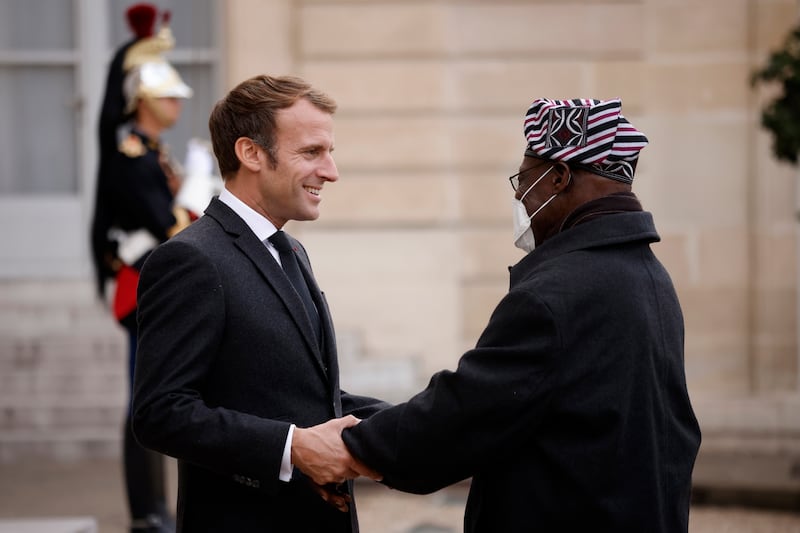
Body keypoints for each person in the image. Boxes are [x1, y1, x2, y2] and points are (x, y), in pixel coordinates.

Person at [341, 98, 702, 532]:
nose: (517, 193)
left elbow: (463, 418)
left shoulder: (556, 295)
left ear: (559, 177)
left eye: (525, 177)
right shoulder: (649, 277)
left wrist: (347, 445)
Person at [131, 74, 389, 533]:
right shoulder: (190, 259)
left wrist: (423, 422)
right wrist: (291, 449)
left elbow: (303, 396)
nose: (331, 171)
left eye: (329, 152)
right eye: (311, 152)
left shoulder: (290, 249)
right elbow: (160, 413)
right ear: (251, 153)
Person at [88, 7, 193, 532]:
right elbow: (164, 223)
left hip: (155, 283)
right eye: (170, 96)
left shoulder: (152, 151)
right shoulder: (130, 154)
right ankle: (146, 512)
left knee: (155, 398)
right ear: (146, 100)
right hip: (141, 287)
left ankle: (155, 510)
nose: (177, 103)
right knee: (143, 402)